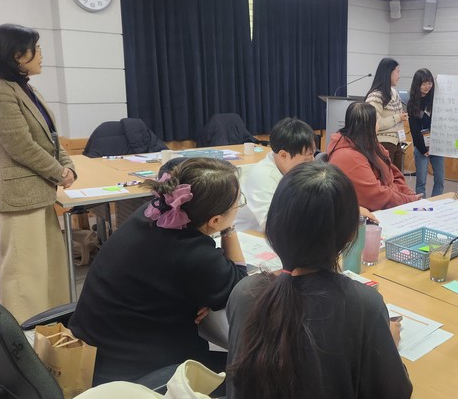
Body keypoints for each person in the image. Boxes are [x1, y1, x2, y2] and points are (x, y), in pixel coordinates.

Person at [225, 162, 413, 399]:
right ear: (350, 235)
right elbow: (395, 393)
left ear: (273, 226)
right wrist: (388, 345)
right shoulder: (364, 305)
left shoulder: (244, 292)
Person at [70, 158, 248, 385]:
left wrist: (205, 288)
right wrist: (229, 228)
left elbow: (167, 271)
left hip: (97, 352)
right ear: (214, 220)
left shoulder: (151, 213)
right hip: (136, 374)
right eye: (238, 204)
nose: (238, 207)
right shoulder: (196, 254)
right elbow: (240, 285)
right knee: (253, 368)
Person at [0, 24, 76, 322]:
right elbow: (21, 147)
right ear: (16, 54)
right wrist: (59, 172)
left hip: (40, 192)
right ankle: (24, 336)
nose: (41, 54)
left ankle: (53, 327)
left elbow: (50, 137)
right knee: (24, 277)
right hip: (19, 196)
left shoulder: (24, 87)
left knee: (51, 269)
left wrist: (68, 165)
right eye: (36, 49)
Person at [327, 102, 418, 211]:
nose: (379, 124)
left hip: (390, 205)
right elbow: (374, 196)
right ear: (370, 126)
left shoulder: (372, 146)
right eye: (377, 121)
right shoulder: (347, 156)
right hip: (368, 214)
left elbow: (394, 174)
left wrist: (408, 194)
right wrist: (408, 200)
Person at [234, 118, 316, 232]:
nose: (312, 162)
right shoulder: (263, 177)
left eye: (313, 154)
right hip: (250, 235)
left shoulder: (290, 168)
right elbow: (271, 225)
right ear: (283, 155)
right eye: (307, 159)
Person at [365, 58, 408, 171]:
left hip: (398, 143)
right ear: (388, 72)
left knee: (397, 178)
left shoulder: (394, 93)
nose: (399, 76)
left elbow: (399, 119)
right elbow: (375, 123)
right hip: (383, 143)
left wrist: (402, 140)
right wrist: (398, 117)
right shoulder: (375, 96)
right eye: (397, 71)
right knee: (385, 178)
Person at [407, 68, 444, 198]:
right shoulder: (412, 103)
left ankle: (436, 204)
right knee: (421, 182)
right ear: (417, 84)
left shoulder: (436, 100)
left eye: (430, 83)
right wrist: (423, 149)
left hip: (437, 145)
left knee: (439, 180)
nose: (427, 86)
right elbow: (414, 129)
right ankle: (421, 205)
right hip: (421, 147)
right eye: (424, 84)